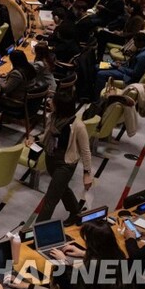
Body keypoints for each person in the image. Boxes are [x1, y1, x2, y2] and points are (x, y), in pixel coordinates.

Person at [50, 220, 134, 289]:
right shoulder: (119, 254)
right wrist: (83, 253)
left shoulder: (94, 267)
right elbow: (103, 256)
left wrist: (63, 261)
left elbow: (75, 283)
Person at [34, 94, 92, 223]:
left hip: (65, 163)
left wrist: (87, 173)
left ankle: (37, 231)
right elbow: (47, 134)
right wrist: (36, 139)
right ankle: (75, 212)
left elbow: (86, 151)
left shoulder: (78, 126)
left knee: (51, 199)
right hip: (51, 158)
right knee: (61, 188)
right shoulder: (52, 117)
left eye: (52, 101)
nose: (49, 102)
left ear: (60, 106)